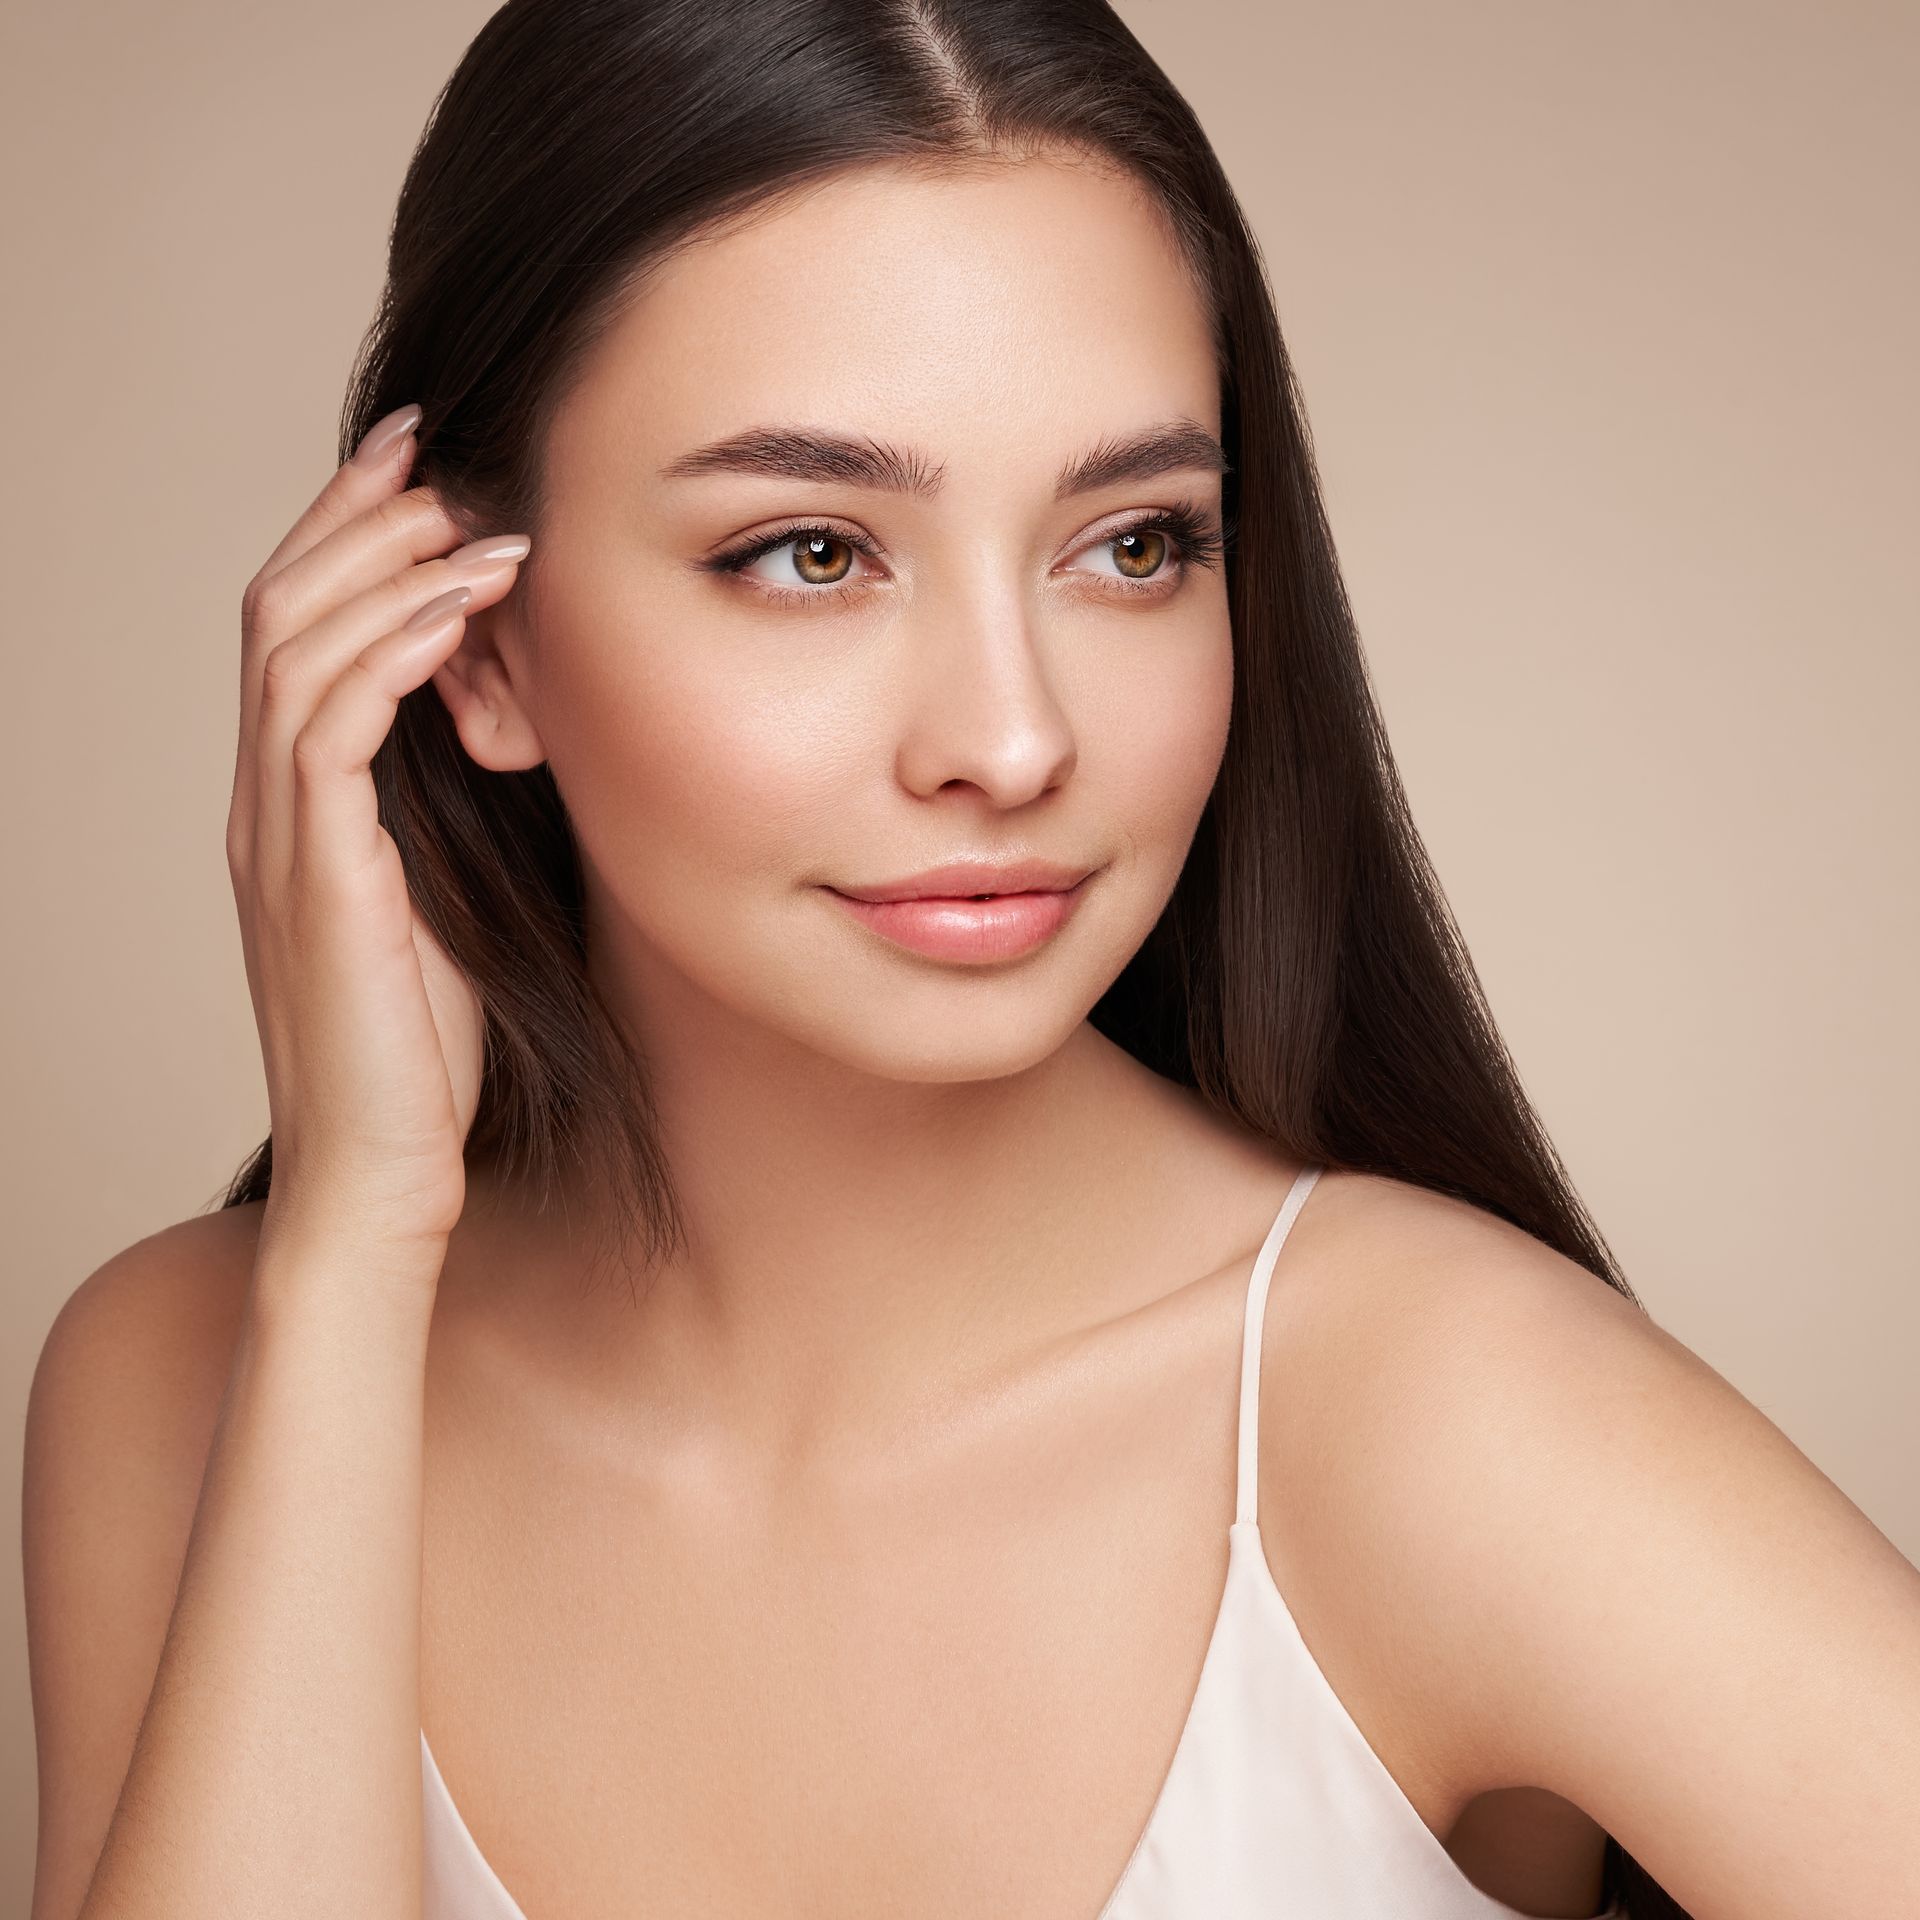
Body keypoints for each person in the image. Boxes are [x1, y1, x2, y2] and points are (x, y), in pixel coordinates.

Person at [23, 3, 1919, 1917]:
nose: (1012, 742)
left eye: (1131, 546)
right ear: (475, 644)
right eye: (811, 554)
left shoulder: (1442, 1416)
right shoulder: (184, 1383)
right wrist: (354, 1247)